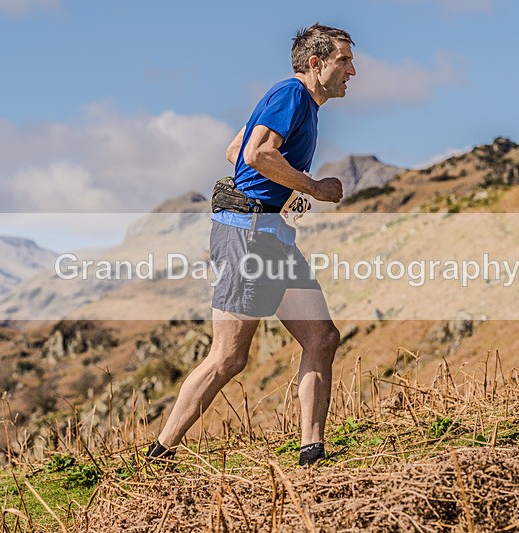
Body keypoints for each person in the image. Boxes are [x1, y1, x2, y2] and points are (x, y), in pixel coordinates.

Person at [139, 23, 356, 467]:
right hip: (249, 236)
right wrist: (312, 187)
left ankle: (312, 453)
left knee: (322, 336)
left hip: (269, 233)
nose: (353, 70)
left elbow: (236, 148)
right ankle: (158, 455)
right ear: (315, 64)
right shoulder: (291, 95)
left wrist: (283, 189)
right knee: (229, 357)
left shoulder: (300, 104)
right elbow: (256, 154)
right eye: (344, 60)